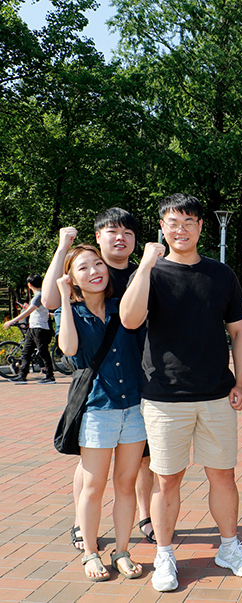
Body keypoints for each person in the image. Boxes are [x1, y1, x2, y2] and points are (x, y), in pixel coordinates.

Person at [119, 193, 242, 592]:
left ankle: (229, 547)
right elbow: (130, 319)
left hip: (215, 393)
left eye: (189, 222)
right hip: (164, 397)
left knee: (223, 477)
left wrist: (241, 381)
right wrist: (145, 263)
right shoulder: (151, 273)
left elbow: (239, 332)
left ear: (200, 227)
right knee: (167, 481)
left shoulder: (220, 274)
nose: (181, 229)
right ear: (162, 227)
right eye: (173, 222)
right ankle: (164, 554)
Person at [41, 210, 156, 549]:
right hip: (98, 393)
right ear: (98, 237)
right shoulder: (83, 276)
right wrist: (64, 248)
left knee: (139, 464)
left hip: (136, 387)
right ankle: (83, 524)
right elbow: (51, 305)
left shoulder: (139, 274)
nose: (120, 237)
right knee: (92, 467)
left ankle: (144, 516)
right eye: (111, 231)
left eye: (127, 232)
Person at [55, 244, 147, 582]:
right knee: (93, 486)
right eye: (83, 268)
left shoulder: (122, 308)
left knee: (126, 484)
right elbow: (69, 350)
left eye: (98, 264)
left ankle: (122, 550)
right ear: (73, 278)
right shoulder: (70, 312)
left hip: (134, 408)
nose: (95, 271)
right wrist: (65, 299)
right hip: (98, 409)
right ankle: (91, 552)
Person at [4, 274, 55, 384]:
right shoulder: (39, 295)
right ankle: (22, 376)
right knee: (26, 352)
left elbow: (28, 312)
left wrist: (11, 321)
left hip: (39, 328)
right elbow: (40, 311)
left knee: (43, 352)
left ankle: (50, 376)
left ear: (29, 285)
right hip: (33, 328)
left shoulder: (39, 295)